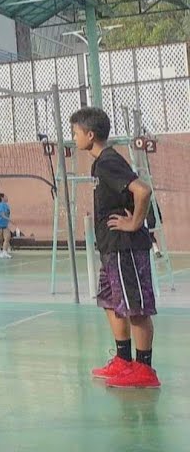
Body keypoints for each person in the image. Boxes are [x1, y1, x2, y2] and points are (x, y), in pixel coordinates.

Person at [71, 107, 160, 389]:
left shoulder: (108, 160)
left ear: (90, 134)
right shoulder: (100, 163)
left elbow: (143, 190)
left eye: (75, 133)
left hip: (126, 247)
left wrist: (135, 223)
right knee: (110, 302)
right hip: (110, 248)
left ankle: (144, 369)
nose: (73, 139)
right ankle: (123, 360)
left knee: (135, 308)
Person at [0, 193, 13, 259]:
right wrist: (10, 220)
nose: (7, 197)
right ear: (2, 198)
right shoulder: (0, 205)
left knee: (7, 237)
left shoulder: (7, 206)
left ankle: (5, 252)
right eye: (6, 196)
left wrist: (8, 221)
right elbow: (2, 215)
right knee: (0, 240)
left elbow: (7, 214)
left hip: (5, 225)